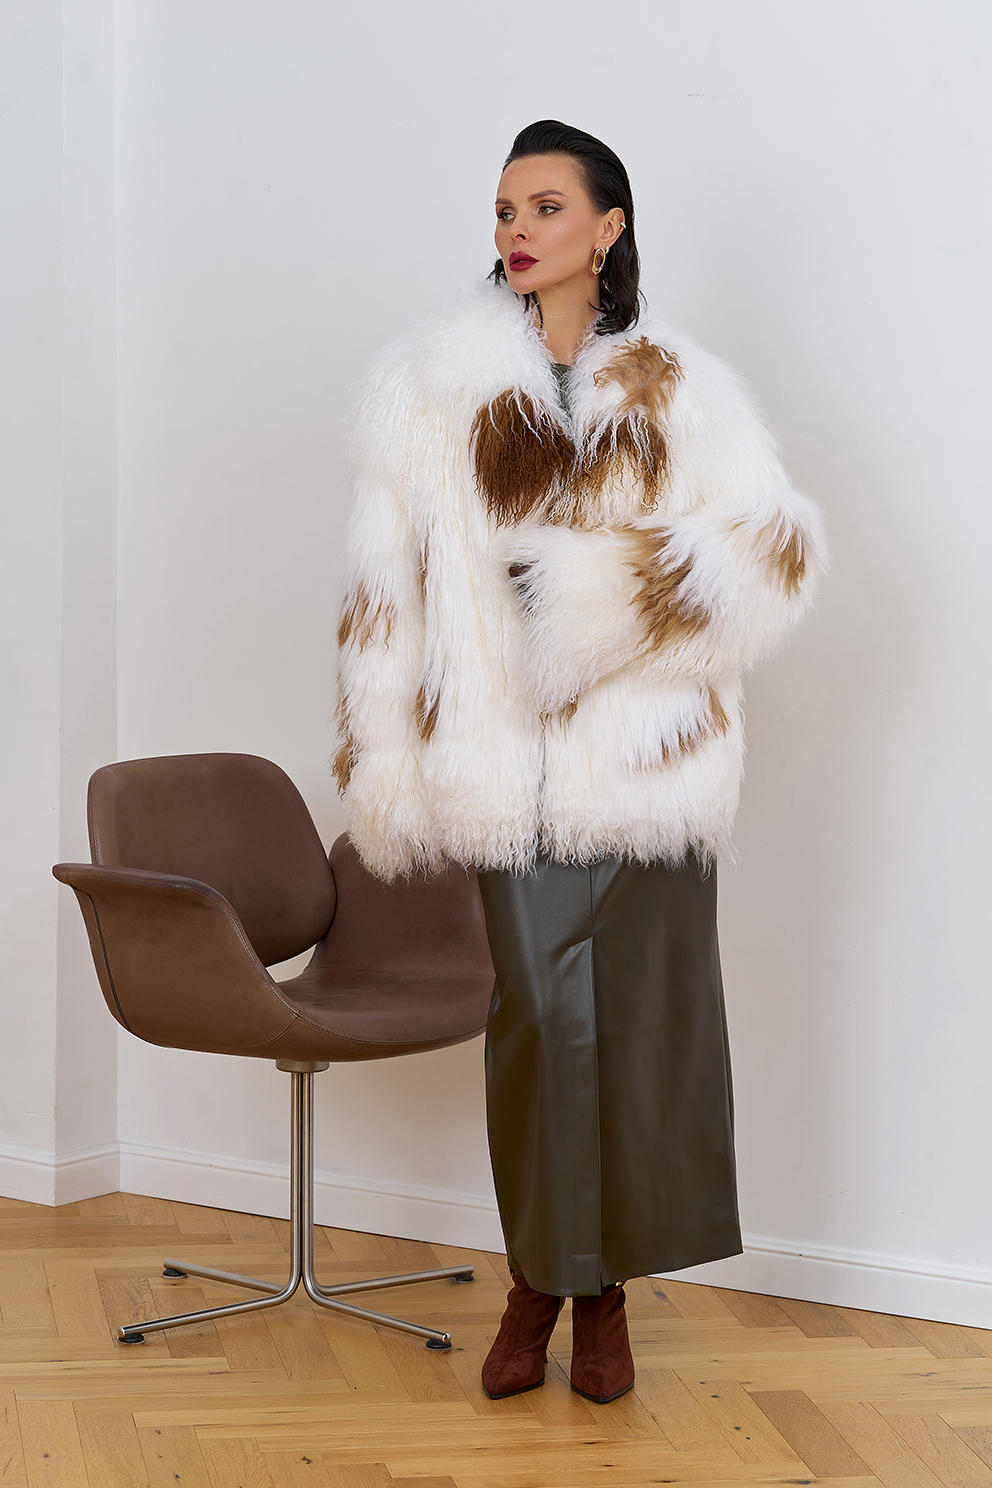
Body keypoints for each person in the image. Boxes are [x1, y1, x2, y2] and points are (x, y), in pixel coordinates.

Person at [334, 120, 825, 1405]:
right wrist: (390, 761)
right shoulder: (430, 385)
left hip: (643, 762)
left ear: (606, 227)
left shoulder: (678, 386)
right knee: (539, 1026)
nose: (516, 229)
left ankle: (602, 1297)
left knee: (648, 1028)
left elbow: (771, 557)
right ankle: (537, 1280)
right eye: (504, 208)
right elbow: (384, 588)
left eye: (545, 206)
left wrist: (582, 600)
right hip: (502, 766)